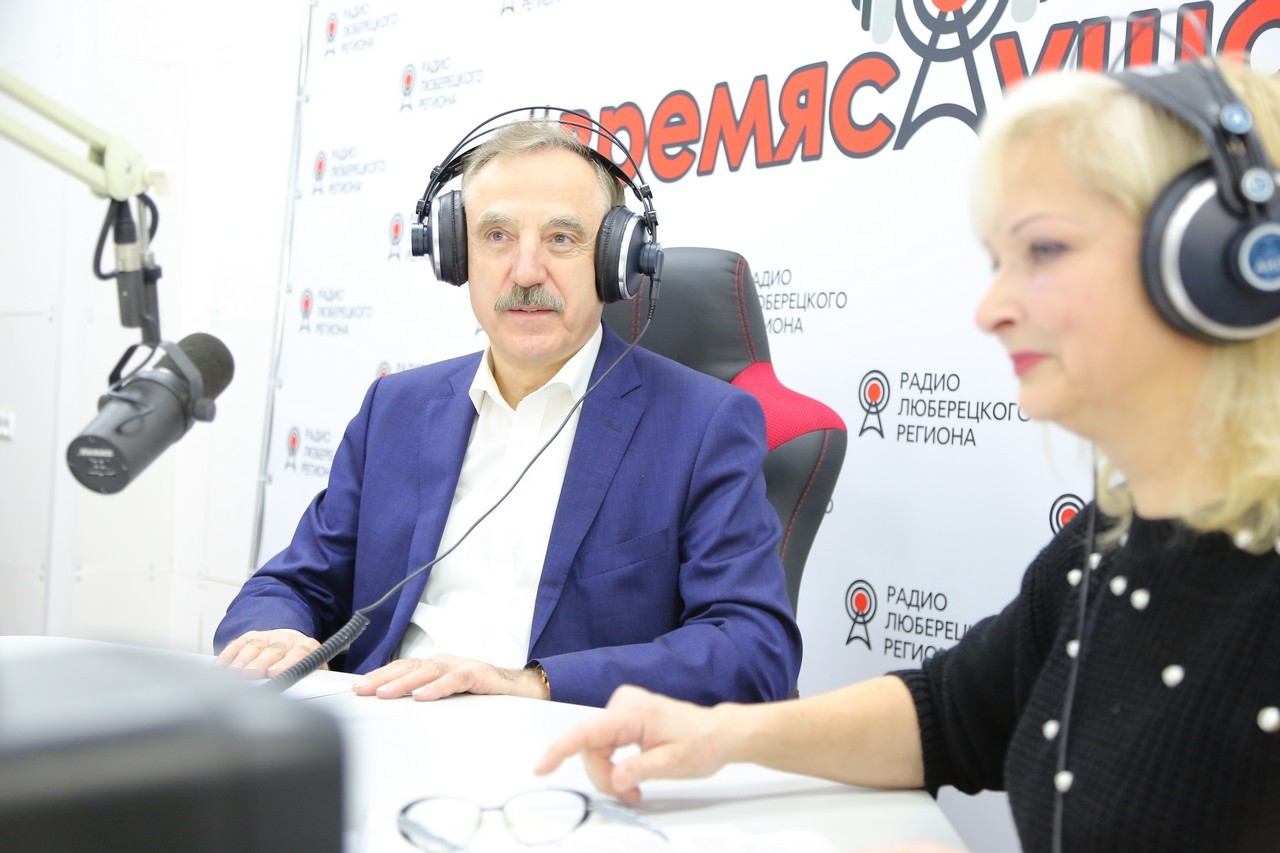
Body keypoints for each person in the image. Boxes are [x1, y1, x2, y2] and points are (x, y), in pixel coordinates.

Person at [536, 59, 1280, 851]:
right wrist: (724, 736)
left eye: (1046, 249)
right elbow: (950, 713)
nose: (992, 309)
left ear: (1215, 260)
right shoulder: (1108, 542)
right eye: (998, 261)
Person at [214, 117, 802, 708]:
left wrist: (531, 684)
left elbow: (753, 649)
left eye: (562, 239)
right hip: (381, 720)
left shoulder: (702, 424)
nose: (525, 272)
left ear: (614, 260)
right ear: (455, 254)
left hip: (562, 741)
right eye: (496, 236)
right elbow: (292, 584)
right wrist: (278, 633)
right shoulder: (395, 409)